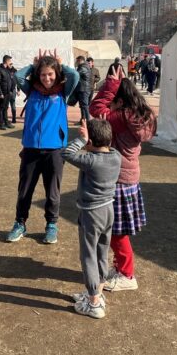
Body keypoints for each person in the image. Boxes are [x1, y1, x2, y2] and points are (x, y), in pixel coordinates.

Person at [89, 66, 157, 292]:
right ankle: (121, 269)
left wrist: (110, 86)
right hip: (129, 179)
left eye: (114, 101)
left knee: (117, 232)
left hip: (118, 181)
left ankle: (127, 274)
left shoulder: (122, 117)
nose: (111, 105)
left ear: (121, 100)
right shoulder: (138, 116)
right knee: (118, 230)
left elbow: (96, 109)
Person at [6, 49, 79, 245]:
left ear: (56, 75)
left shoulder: (64, 91)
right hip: (31, 149)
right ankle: (20, 223)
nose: (46, 78)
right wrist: (35, 64)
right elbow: (19, 76)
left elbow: (75, 75)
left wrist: (59, 64)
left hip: (55, 150)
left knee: (52, 191)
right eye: (43, 74)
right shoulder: (32, 90)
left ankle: (51, 225)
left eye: (50, 74)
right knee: (25, 190)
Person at [62, 118, 121, 319]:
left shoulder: (91, 160)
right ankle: (96, 293)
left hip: (92, 213)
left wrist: (82, 139)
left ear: (90, 143)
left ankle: (94, 302)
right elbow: (103, 146)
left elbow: (66, 153)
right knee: (101, 252)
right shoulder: (116, 156)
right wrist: (96, 134)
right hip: (108, 210)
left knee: (88, 255)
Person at [0, 55, 14, 130]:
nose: (11, 62)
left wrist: (11, 91)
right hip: (2, 93)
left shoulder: (7, 70)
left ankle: (6, 123)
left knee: (6, 107)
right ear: (7, 61)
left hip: (8, 92)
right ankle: (0, 124)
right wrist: (0, 93)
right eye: (10, 61)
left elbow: (11, 80)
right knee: (1, 108)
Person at [74, 55, 92, 124]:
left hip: (84, 89)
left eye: (77, 61)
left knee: (84, 106)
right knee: (82, 106)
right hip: (82, 89)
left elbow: (76, 74)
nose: (76, 62)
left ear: (80, 60)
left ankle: (88, 122)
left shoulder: (83, 67)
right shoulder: (82, 66)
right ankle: (83, 120)